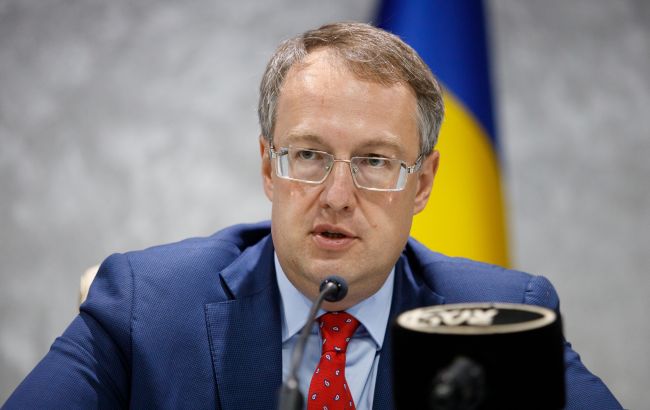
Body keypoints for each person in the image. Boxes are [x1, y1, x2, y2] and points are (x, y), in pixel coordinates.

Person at [4, 22, 621, 410]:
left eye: (375, 161)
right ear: (268, 167)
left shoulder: (502, 318)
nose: (336, 195)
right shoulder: (148, 305)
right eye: (308, 156)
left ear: (424, 183)